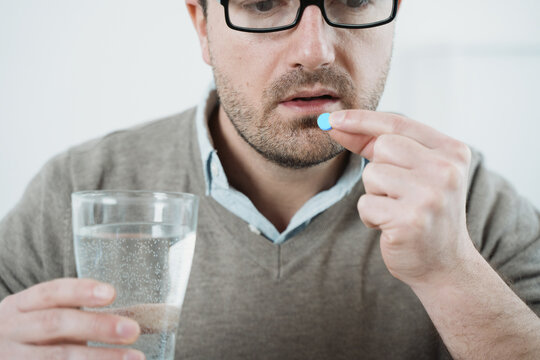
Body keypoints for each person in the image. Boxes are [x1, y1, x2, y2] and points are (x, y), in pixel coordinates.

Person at [1, 0, 539, 358]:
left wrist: (452, 275)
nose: (315, 51)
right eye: (262, 2)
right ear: (201, 27)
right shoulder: (75, 192)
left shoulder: (472, 205)